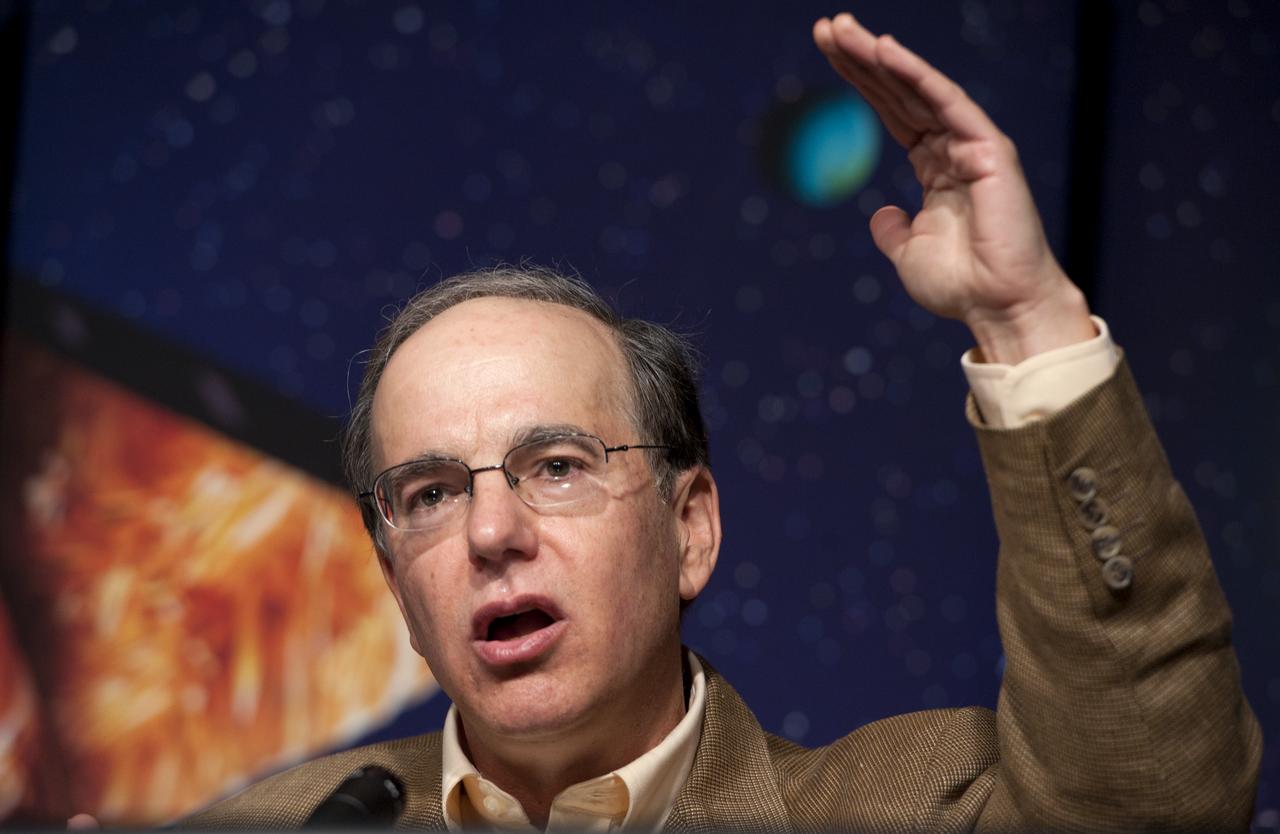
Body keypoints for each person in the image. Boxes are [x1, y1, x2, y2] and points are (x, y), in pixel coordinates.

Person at [177, 12, 1261, 831]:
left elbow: (1153, 793)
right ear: (393, 579)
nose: (489, 534)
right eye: (429, 493)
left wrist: (1024, 321)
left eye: (553, 465)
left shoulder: (906, 807)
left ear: (690, 525)